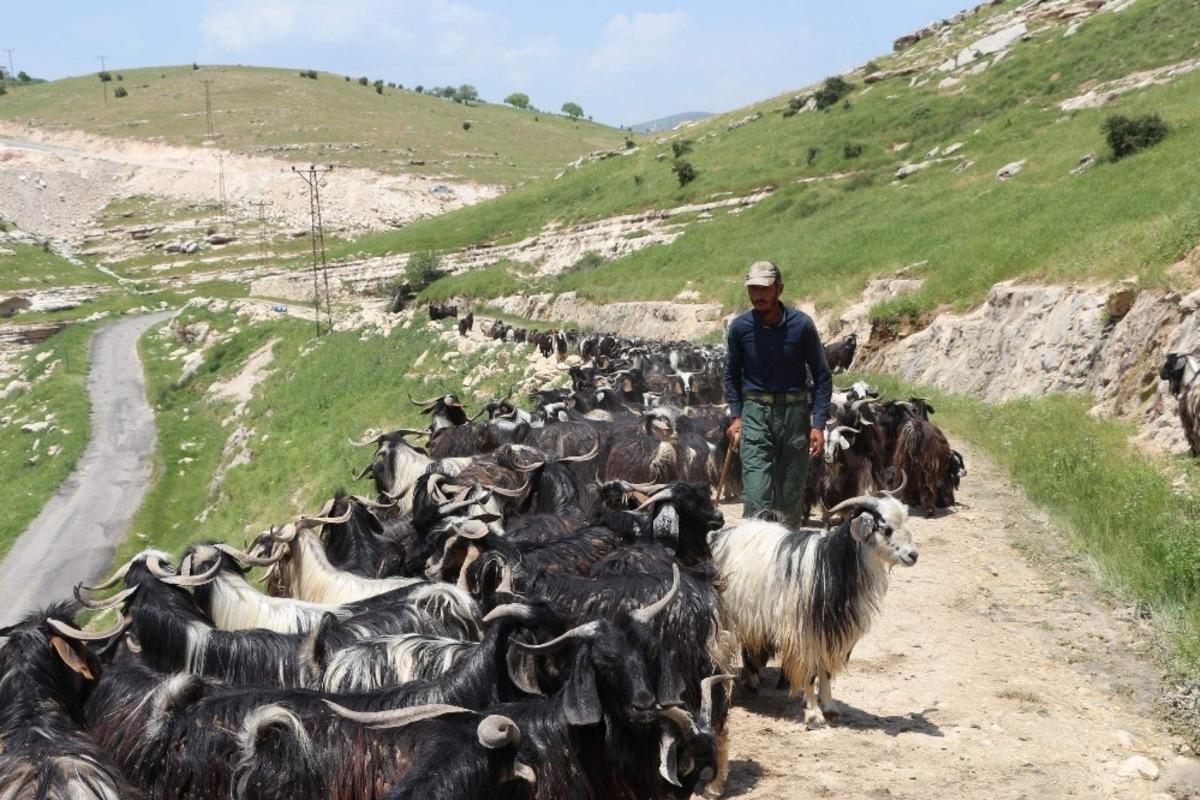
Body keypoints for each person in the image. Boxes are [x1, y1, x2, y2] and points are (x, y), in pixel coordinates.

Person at [723, 260, 832, 524]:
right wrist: (736, 416)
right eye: (753, 289)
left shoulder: (801, 325)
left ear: (779, 288)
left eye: (764, 288)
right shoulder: (739, 328)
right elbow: (730, 374)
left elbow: (822, 375)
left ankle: (785, 559)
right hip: (755, 415)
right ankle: (753, 561)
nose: (758, 295)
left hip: (794, 415)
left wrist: (817, 424)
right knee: (756, 496)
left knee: (790, 496)